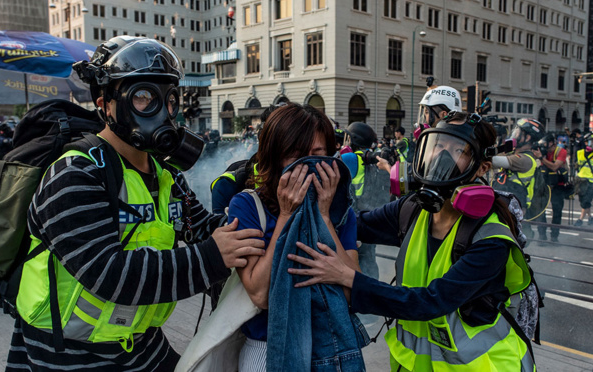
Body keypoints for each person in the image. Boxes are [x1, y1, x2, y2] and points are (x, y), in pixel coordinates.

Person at [7, 36, 265, 371]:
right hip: (69, 354)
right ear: (106, 103)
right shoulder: (75, 174)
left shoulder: (165, 175)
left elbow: (202, 227)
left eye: (170, 99)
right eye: (144, 97)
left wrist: (267, 215)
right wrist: (212, 257)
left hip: (141, 344)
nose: (163, 110)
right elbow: (107, 274)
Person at [288, 111, 535, 371]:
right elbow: (357, 225)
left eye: (458, 150)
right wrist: (319, 206)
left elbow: (429, 302)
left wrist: (348, 277)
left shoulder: (491, 237)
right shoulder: (414, 209)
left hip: (484, 365)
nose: (441, 157)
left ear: (481, 168)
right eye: (438, 145)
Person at [227, 103, 362, 371]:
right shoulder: (248, 206)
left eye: (317, 154)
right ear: (276, 158)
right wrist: (287, 215)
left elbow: (353, 290)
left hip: (328, 347)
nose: (309, 164)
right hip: (266, 349)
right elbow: (261, 294)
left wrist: (323, 216)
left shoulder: (340, 213)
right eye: (297, 156)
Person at [341, 122, 390, 280]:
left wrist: (343, 150)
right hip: (372, 220)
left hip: (352, 223)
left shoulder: (349, 158)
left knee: (350, 265)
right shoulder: (378, 160)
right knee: (369, 261)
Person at [491, 118, 545, 238]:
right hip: (504, 207)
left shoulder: (525, 160)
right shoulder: (514, 155)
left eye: (517, 132)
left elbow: (493, 161)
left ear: (528, 138)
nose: (514, 135)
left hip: (511, 212)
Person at [533, 133, 568, 243]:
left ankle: (554, 237)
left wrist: (541, 158)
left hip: (557, 186)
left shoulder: (561, 151)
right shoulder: (542, 152)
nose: (544, 147)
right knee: (540, 211)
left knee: (557, 212)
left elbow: (555, 166)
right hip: (543, 184)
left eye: (545, 144)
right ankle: (542, 236)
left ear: (552, 143)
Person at [574, 132, 593, 226]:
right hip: (581, 180)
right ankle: (590, 217)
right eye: (588, 142)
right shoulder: (579, 153)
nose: (589, 144)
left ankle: (580, 219)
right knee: (583, 201)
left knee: (586, 201)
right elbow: (576, 164)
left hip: (591, 181)